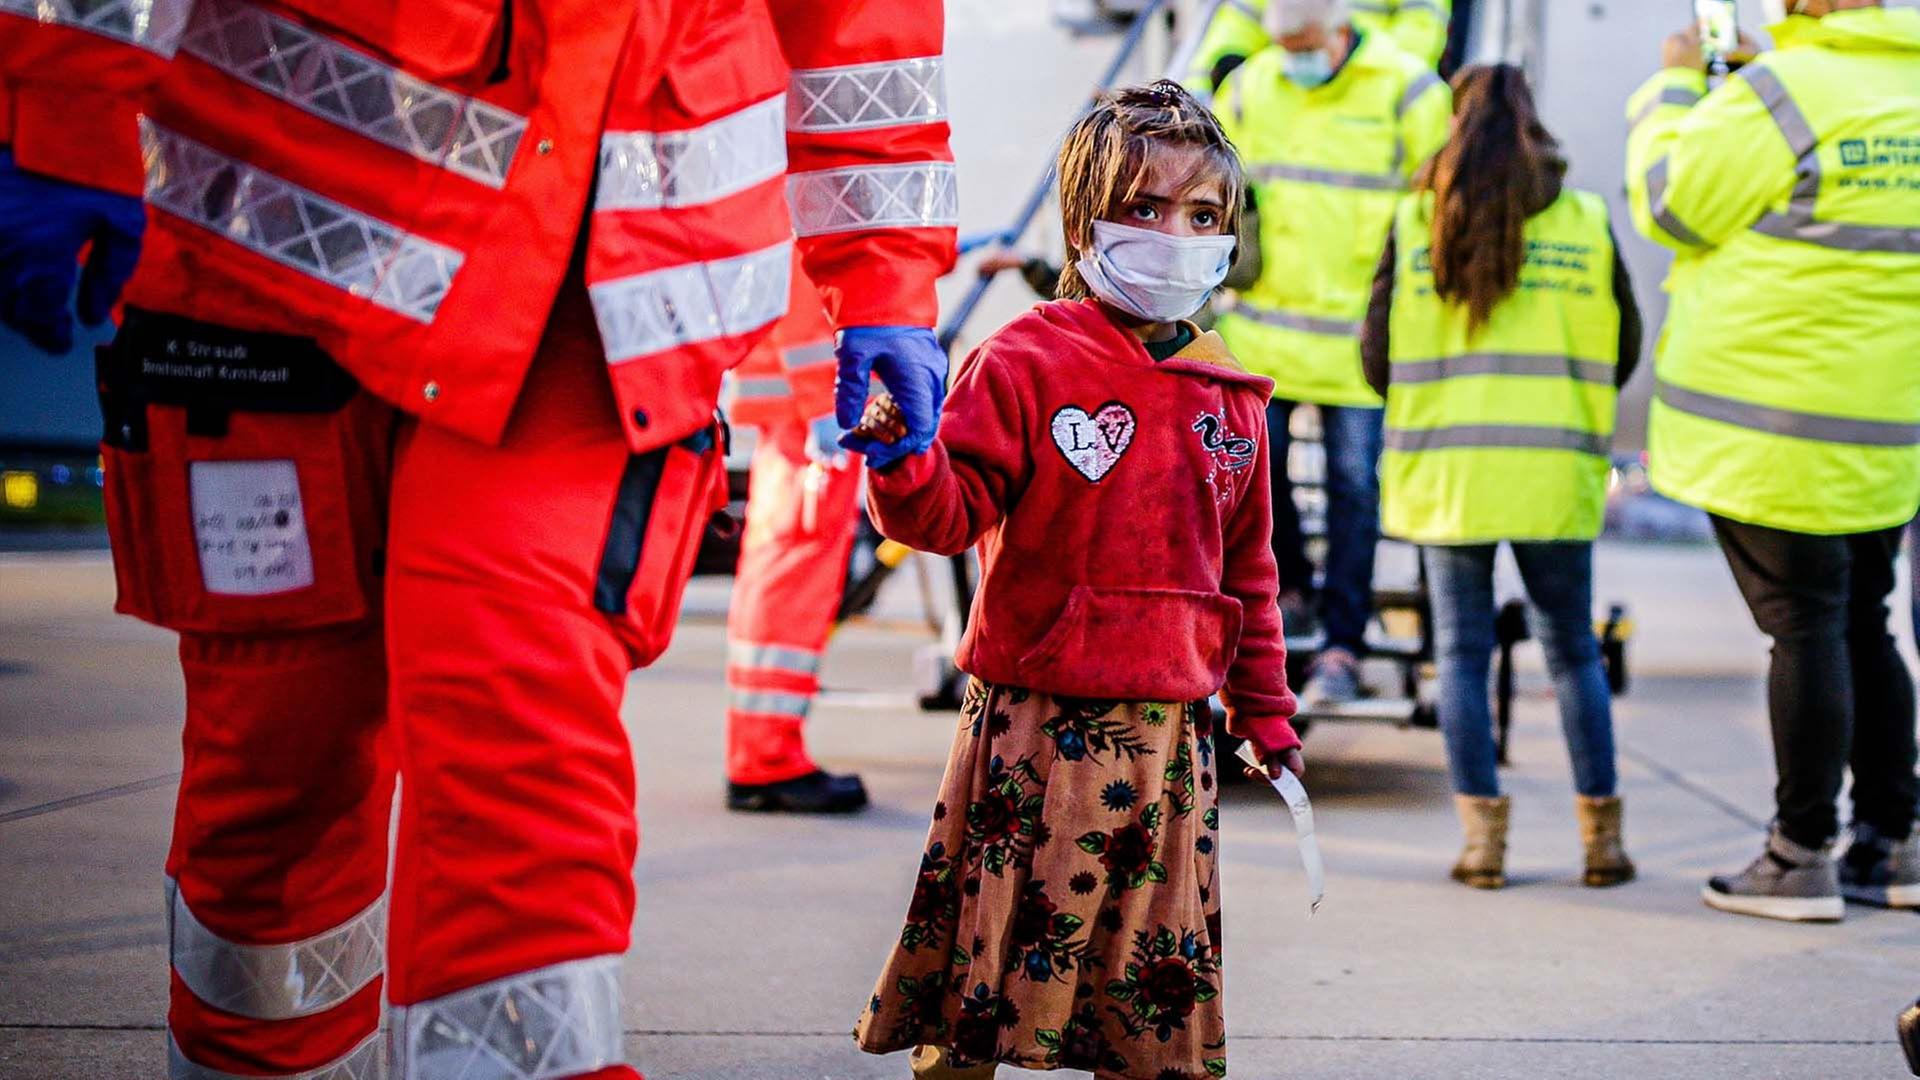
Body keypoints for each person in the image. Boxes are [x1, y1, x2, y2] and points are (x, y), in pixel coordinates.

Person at [0, 1, 956, 1076]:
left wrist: (884, 272)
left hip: (592, 292)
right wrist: (56, 98)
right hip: (276, 246)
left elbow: (861, 29)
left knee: (523, 747)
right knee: (276, 781)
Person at [848, 82, 1302, 1080]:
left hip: (1166, 743)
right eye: (1144, 208)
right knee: (990, 964)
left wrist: (1267, 712)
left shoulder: (1232, 399)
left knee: (1145, 984)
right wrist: (898, 452)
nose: (1175, 235)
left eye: (1203, 217)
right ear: (1083, 220)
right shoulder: (1019, 361)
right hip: (1030, 727)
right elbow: (943, 515)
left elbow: (1250, 576)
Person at [1625, 0, 1920, 922]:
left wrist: (1677, 87)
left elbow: (1671, 200)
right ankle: (1896, 842)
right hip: (1885, 423)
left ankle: (1801, 856)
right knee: (1863, 623)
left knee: (1804, 630)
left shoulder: (1777, 93)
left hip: (1771, 427)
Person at [1363, 63, 1641, 891]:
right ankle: (1603, 844)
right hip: (1553, 474)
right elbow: (1624, 347)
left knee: (1461, 655)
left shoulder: (1417, 219)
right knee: (1572, 655)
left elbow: (1376, 356)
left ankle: (1483, 848)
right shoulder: (1586, 219)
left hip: (1450, 475)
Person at [1212, 0, 1451, 708]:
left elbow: (1434, 212)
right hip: (1265, 335)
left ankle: (1343, 643)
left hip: (1358, 343)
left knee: (1354, 493)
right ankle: (1292, 596)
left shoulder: (1408, 91)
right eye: (1283, 45)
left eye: (1304, 44)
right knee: (1258, 482)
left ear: (1340, 30)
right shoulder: (1253, 84)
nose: (1293, 58)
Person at [722, 254, 870, 813]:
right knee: (791, 583)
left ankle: (761, 752)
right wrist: (824, 407)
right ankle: (765, 760)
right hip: (809, 414)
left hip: (795, 412)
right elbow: (806, 297)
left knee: (781, 574)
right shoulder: (813, 195)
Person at [1181, 0, 1453, 93]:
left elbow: (1421, 29)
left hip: (1371, 92)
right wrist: (1200, 93)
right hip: (1284, 91)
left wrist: (1359, 70)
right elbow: (1238, 26)